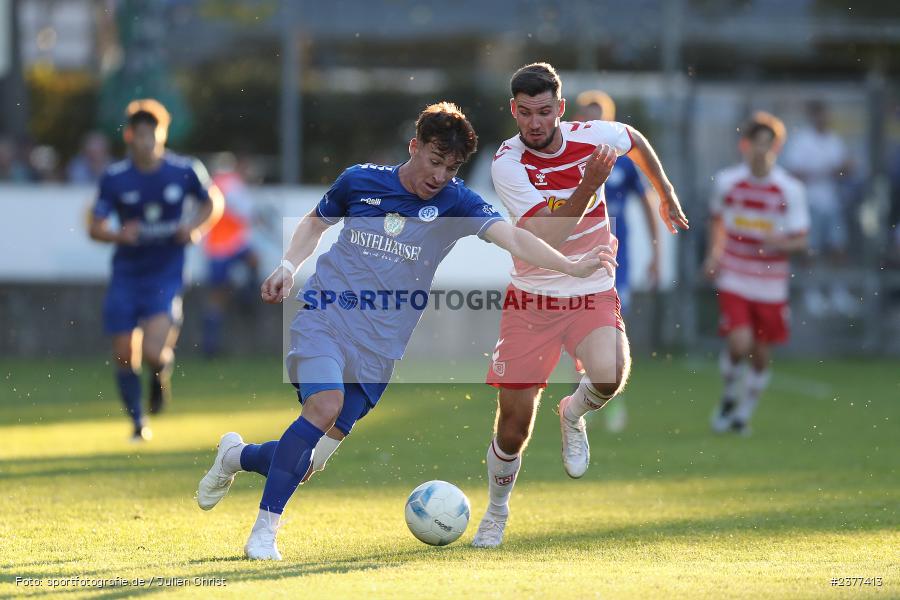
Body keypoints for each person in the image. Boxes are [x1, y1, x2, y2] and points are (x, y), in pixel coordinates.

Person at [195, 102, 618, 561]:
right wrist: (287, 265)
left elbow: (515, 237)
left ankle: (236, 456)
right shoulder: (360, 180)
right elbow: (316, 222)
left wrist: (571, 266)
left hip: (379, 348)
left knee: (307, 461)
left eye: (451, 168)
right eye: (435, 161)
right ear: (415, 147)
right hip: (325, 317)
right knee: (324, 405)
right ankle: (263, 534)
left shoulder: (456, 202)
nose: (440, 175)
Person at [472, 63, 689, 548]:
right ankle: (497, 511)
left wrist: (666, 193)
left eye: (544, 111)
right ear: (513, 111)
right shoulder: (507, 163)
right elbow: (546, 236)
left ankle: (572, 413)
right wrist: (589, 186)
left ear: (561, 109)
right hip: (532, 299)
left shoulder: (592, 136)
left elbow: (634, 138)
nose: (535, 123)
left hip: (590, 288)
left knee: (610, 373)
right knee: (513, 426)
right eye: (525, 113)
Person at [88, 99, 223, 441]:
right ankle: (138, 422)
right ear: (130, 136)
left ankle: (160, 372)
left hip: (166, 274)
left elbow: (213, 201)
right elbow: (95, 226)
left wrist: (194, 227)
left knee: (152, 351)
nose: (147, 141)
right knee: (123, 353)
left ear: (163, 134)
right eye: (141, 134)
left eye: (154, 133)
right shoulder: (115, 178)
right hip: (127, 274)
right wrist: (118, 234)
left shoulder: (184, 170)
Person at [703, 111, 808, 436]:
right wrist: (713, 255)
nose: (761, 151)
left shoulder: (789, 189)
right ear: (744, 145)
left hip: (770, 283)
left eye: (768, 144)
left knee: (761, 355)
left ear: (777, 147)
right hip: (734, 274)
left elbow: (802, 240)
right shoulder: (727, 182)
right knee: (739, 343)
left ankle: (742, 413)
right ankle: (728, 396)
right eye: (756, 143)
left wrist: (780, 242)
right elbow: (717, 220)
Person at [573, 90, 660, 433]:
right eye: (588, 116)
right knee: (579, 328)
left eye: (601, 117)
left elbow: (646, 203)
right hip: (578, 258)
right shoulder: (571, 159)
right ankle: (584, 397)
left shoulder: (624, 162)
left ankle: (612, 399)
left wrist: (655, 252)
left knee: (611, 328)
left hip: (615, 260)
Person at [781, 100, 854, 317]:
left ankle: (838, 292)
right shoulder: (802, 141)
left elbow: (846, 168)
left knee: (838, 248)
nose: (825, 118)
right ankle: (811, 293)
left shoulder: (834, 140)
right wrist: (827, 171)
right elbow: (795, 172)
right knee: (810, 250)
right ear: (813, 116)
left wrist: (827, 171)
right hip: (810, 202)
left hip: (832, 202)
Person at [201, 153, 260, 357]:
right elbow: (243, 211)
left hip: (224, 246)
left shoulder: (216, 184)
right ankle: (246, 299)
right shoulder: (229, 183)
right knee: (218, 295)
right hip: (222, 247)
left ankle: (211, 342)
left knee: (218, 296)